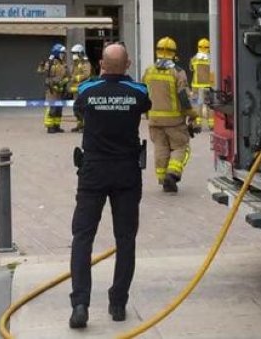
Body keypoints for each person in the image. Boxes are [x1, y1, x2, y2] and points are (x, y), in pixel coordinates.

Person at [68, 42, 151, 330]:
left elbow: (79, 109)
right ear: (128, 65)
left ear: (101, 65)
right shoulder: (138, 91)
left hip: (93, 172)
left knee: (82, 237)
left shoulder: (87, 90)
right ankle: (118, 304)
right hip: (126, 172)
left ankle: (80, 304)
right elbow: (145, 104)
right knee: (125, 239)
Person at [142, 37, 196, 193]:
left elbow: (143, 93)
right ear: (174, 53)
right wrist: (192, 114)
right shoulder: (178, 72)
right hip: (174, 121)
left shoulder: (149, 71)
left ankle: (162, 178)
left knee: (160, 148)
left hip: (154, 120)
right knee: (181, 147)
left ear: (157, 51)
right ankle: (172, 174)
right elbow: (183, 97)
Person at [38, 44, 69, 133]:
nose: (63, 55)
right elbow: (40, 71)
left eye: (63, 53)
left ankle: (56, 126)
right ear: (56, 53)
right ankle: (50, 126)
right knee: (51, 108)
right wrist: (41, 65)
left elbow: (68, 75)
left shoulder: (63, 63)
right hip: (52, 90)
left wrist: (64, 82)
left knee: (59, 108)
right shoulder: (50, 63)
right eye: (62, 53)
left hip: (60, 90)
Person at [189, 38, 214, 130]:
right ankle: (211, 124)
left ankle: (197, 124)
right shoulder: (212, 58)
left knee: (197, 105)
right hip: (208, 86)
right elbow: (213, 71)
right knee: (209, 105)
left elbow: (191, 68)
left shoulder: (194, 58)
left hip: (196, 86)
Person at [68, 44, 93, 133]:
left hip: (83, 89)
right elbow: (72, 74)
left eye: (75, 53)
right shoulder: (75, 64)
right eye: (73, 53)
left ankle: (84, 126)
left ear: (80, 53)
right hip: (76, 90)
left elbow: (86, 74)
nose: (73, 55)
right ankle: (79, 125)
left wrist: (76, 78)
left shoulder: (85, 63)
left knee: (82, 108)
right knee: (76, 109)